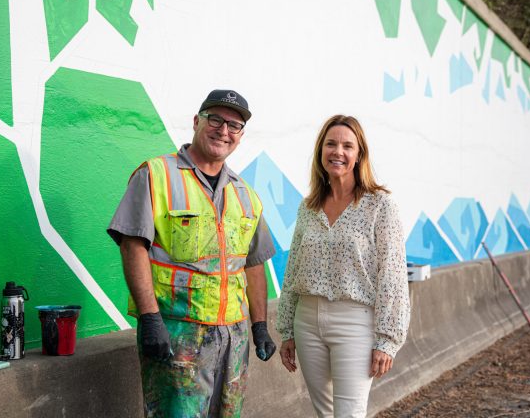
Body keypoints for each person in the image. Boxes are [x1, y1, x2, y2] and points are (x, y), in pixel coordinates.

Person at [107, 89, 277, 417]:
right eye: (215, 119)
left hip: (233, 336)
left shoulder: (246, 195)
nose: (223, 130)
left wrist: (259, 326)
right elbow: (133, 246)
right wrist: (150, 317)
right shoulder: (156, 175)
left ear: (241, 136)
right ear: (197, 121)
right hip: (176, 331)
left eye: (234, 125)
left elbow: (253, 263)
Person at [276, 115, 410, 418]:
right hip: (306, 321)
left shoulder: (380, 205)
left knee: (349, 414)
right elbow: (293, 266)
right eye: (331, 144)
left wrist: (388, 340)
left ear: (359, 154)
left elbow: (393, 275)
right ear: (320, 151)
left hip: (355, 323)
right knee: (324, 413)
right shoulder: (308, 206)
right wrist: (286, 330)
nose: (338, 151)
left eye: (348, 146)